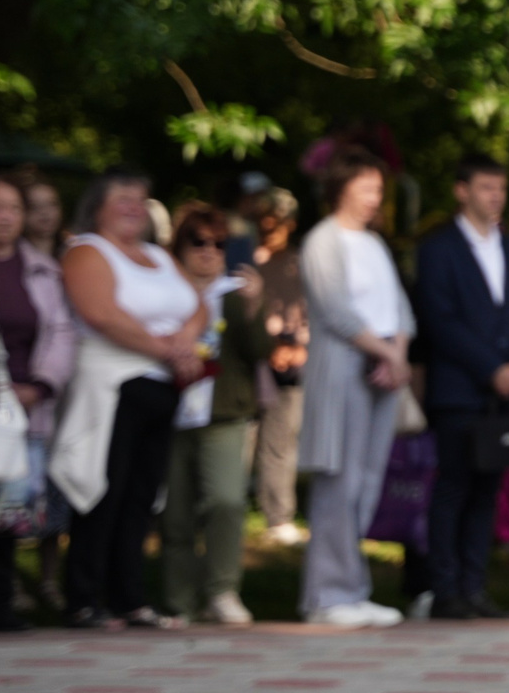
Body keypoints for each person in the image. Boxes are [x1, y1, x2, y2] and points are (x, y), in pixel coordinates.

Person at [53, 168, 207, 632]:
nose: (133, 207)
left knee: (141, 497)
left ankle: (131, 598)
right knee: (104, 489)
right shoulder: (86, 251)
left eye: (140, 199)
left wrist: (187, 340)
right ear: (97, 204)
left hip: (162, 387)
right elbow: (101, 313)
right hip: (111, 385)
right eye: (122, 198)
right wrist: (169, 350)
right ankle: (83, 597)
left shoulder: (159, 256)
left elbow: (197, 305)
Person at [411, 154, 509, 620]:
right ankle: (445, 590)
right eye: (486, 188)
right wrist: (491, 368)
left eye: (501, 189)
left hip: (506, 391)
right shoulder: (438, 249)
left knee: (489, 488)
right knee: (454, 486)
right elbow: (440, 321)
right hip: (460, 388)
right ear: (462, 191)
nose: (495, 197)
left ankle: (474, 585)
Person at [294, 147, 414, 629]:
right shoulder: (323, 241)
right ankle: (325, 593)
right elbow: (336, 311)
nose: (374, 198)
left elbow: (400, 308)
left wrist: (397, 355)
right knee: (338, 482)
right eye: (366, 187)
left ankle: (353, 587)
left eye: (378, 189)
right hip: (345, 369)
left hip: (383, 373)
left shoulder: (375, 243)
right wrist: (386, 353)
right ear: (341, 188)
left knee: (366, 482)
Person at [0, 173, 76, 632]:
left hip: (30, 403)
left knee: (11, 506)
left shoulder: (42, 268)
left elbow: (62, 331)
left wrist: (42, 385)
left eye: (14, 208)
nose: (6, 217)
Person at [159, 204, 269, 626]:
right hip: (173, 410)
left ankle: (222, 590)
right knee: (176, 512)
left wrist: (255, 306)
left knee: (226, 500)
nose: (208, 252)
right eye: (198, 242)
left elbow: (261, 352)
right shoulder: (164, 290)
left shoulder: (236, 292)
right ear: (180, 247)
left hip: (223, 412)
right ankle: (178, 601)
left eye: (219, 244)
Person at [248, 187, 308, 547]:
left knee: (282, 441)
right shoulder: (246, 260)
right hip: (252, 358)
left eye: (277, 222)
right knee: (244, 438)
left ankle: (279, 514)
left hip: (292, 360)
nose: (269, 228)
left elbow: (310, 311)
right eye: (264, 221)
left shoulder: (299, 264)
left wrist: (299, 347)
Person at [20, 174, 64, 260]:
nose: (45, 212)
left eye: (52, 204)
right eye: (35, 206)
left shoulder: (72, 253)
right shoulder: (13, 256)